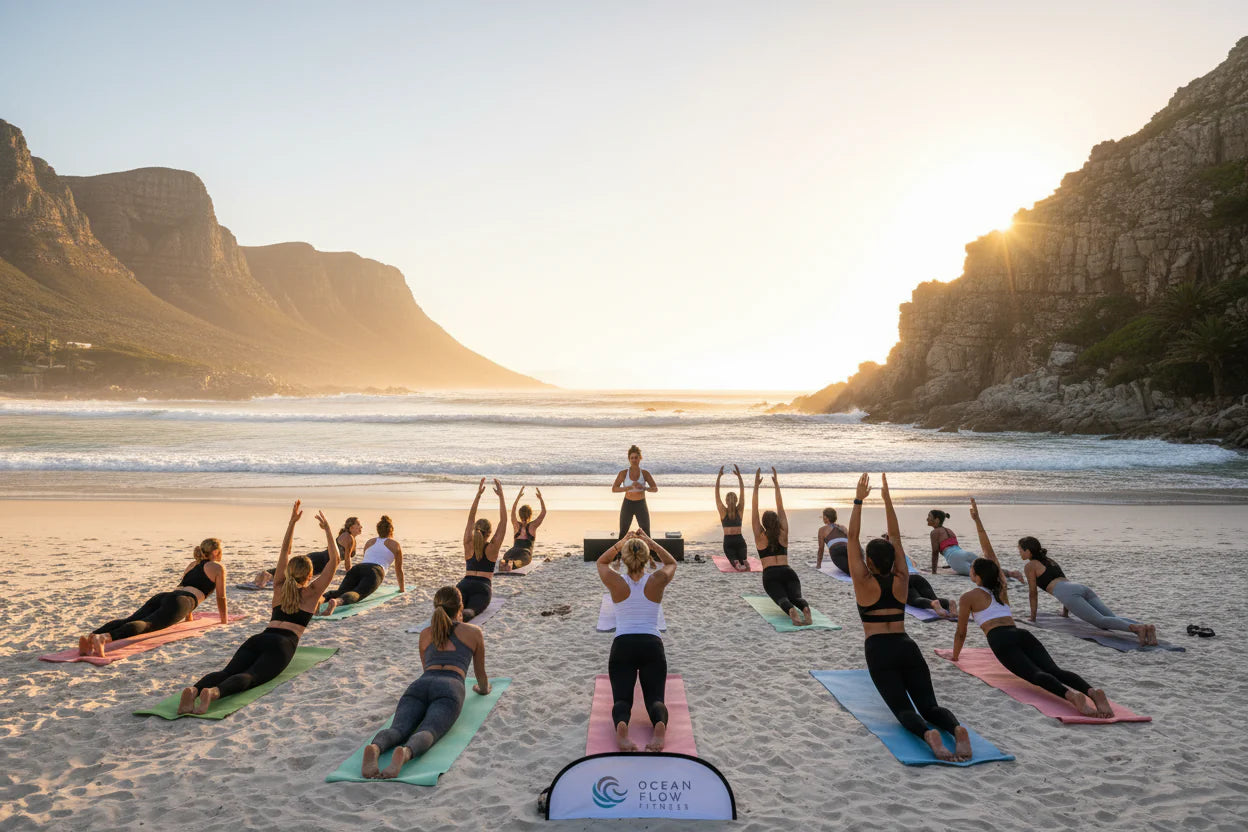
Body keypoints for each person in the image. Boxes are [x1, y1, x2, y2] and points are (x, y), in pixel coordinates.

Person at [949, 499, 1115, 718]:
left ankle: (1072, 697)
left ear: (977, 576)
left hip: (1000, 640)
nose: (970, 571)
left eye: (972, 570)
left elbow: (961, 631)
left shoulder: (968, 597)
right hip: (1021, 634)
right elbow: (990, 554)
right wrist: (977, 520)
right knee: (1055, 670)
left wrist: (955, 656)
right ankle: (1093, 692)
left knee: (1034, 674)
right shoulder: (1001, 588)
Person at [848, 473, 971, 762]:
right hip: (907, 646)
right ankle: (957, 728)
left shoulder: (863, 582)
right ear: (892, 559)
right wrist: (887, 499)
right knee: (929, 706)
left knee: (903, 709)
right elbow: (896, 536)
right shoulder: (903, 577)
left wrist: (858, 500)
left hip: (879, 649)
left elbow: (852, 537)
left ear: (869, 561)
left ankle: (929, 736)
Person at [178, 502, 338, 714]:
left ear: (290, 572)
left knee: (227, 671)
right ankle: (215, 693)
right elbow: (334, 560)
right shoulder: (312, 593)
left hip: (259, 637)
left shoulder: (280, 587)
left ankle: (194, 690)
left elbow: (285, 551)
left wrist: (292, 523)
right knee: (252, 676)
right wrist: (328, 530)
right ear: (310, 575)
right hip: (283, 644)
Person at [361, 586, 491, 778]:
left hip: (421, 684)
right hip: (450, 687)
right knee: (429, 729)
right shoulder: (473, 632)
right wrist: (483, 689)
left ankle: (375, 747)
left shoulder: (426, 634)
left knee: (398, 729)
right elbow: (480, 674)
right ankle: (405, 753)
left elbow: (426, 668)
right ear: (460, 607)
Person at [597, 529, 677, 752]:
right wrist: (649, 542)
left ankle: (622, 732)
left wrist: (623, 542)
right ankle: (659, 730)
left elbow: (602, 562)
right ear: (646, 557)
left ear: (623, 558)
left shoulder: (615, 581)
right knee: (655, 698)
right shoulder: (657, 579)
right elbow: (671, 562)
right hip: (652, 644)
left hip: (623, 645)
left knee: (622, 700)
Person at [80, 536, 227, 657]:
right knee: (148, 624)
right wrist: (224, 620)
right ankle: (104, 638)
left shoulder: (192, 565)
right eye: (221, 551)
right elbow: (221, 597)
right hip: (181, 602)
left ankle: (92, 636)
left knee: (130, 619)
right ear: (215, 552)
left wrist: (188, 616)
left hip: (166, 596)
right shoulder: (217, 568)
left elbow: (186, 585)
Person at [1004, 534, 1157, 646]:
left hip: (1069, 593)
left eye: (1020, 550)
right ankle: (1146, 627)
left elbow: (1033, 593)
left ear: (1028, 552)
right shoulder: (1049, 560)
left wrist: (1033, 617)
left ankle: (1137, 628)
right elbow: (1063, 583)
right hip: (1080, 587)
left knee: (1100, 621)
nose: (1019, 553)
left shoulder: (1030, 566)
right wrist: (1065, 613)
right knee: (1110, 618)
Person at [753, 467, 811, 626]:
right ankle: (804, 608)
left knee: (782, 599)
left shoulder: (760, 536)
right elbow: (781, 507)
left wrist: (756, 486)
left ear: (764, 523)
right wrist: (776, 485)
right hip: (789, 572)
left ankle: (791, 611)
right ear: (777, 521)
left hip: (771, 575)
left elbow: (754, 510)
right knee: (796, 598)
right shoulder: (784, 533)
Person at [318, 515, 405, 616]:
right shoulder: (395, 544)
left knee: (340, 591)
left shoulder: (370, 542)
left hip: (358, 568)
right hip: (375, 571)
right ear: (391, 530)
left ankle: (318, 600)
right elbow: (398, 570)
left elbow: (366, 560)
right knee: (357, 593)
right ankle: (337, 602)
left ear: (378, 530)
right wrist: (402, 589)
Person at [250, 516, 360, 588]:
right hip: (319, 561)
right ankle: (265, 576)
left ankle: (264, 575)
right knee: (291, 573)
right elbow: (347, 564)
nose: (361, 527)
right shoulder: (349, 538)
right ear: (351, 527)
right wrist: (353, 576)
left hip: (319, 559)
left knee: (291, 571)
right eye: (358, 524)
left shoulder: (348, 537)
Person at [458, 478, 507, 620]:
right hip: (482, 588)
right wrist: (501, 495)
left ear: (475, 530)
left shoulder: (468, 543)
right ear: (489, 533)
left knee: (453, 607)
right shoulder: (492, 547)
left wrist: (478, 495)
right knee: (470, 612)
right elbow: (503, 521)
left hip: (464, 584)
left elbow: (470, 519)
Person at [612, 444, 657, 541]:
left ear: (640, 458)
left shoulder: (645, 473)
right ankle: (620, 555)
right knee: (623, 532)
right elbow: (614, 489)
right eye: (632, 458)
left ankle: (648, 555)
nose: (634, 460)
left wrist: (643, 487)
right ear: (629, 459)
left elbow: (655, 489)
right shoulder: (623, 473)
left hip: (641, 504)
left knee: (646, 533)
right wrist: (628, 488)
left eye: (636, 457)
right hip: (628, 504)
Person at [499, 486, 546, 572]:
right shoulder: (533, 526)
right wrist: (540, 498)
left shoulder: (515, 524)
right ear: (530, 514)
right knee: (521, 562)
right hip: (525, 553)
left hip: (512, 551)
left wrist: (518, 498)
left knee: (506, 558)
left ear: (519, 514)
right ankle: (512, 565)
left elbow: (513, 511)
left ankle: (503, 562)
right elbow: (543, 512)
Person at [715, 464, 749, 570]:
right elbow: (743, 492)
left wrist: (719, 477)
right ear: (737, 500)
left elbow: (716, 494)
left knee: (733, 559)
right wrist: (739, 477)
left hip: (728, 542)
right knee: (742, 558)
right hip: (740, 541)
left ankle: (737, 563)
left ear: (725, 501)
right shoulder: (740, 511)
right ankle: (743, 561)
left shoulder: (723, 512)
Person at [929, 510, 976, 575]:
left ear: (937, 520)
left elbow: (935, 552)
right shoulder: (950, 531)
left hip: (955, 558)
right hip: (968, 554)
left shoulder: (934, 532)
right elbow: (954, 548)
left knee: (975, 576)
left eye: (929, 516)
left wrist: (934, 572)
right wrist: (951, 564)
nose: (927, 519)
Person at [816, 507, 849, 573]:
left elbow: (821, 548)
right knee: (858, 569)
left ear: (825, 517)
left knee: (850, 571)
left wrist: (818, 565)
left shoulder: (822, 530)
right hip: (848, 549)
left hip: (836, 551)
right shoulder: (843, 527)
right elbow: (853, 541)